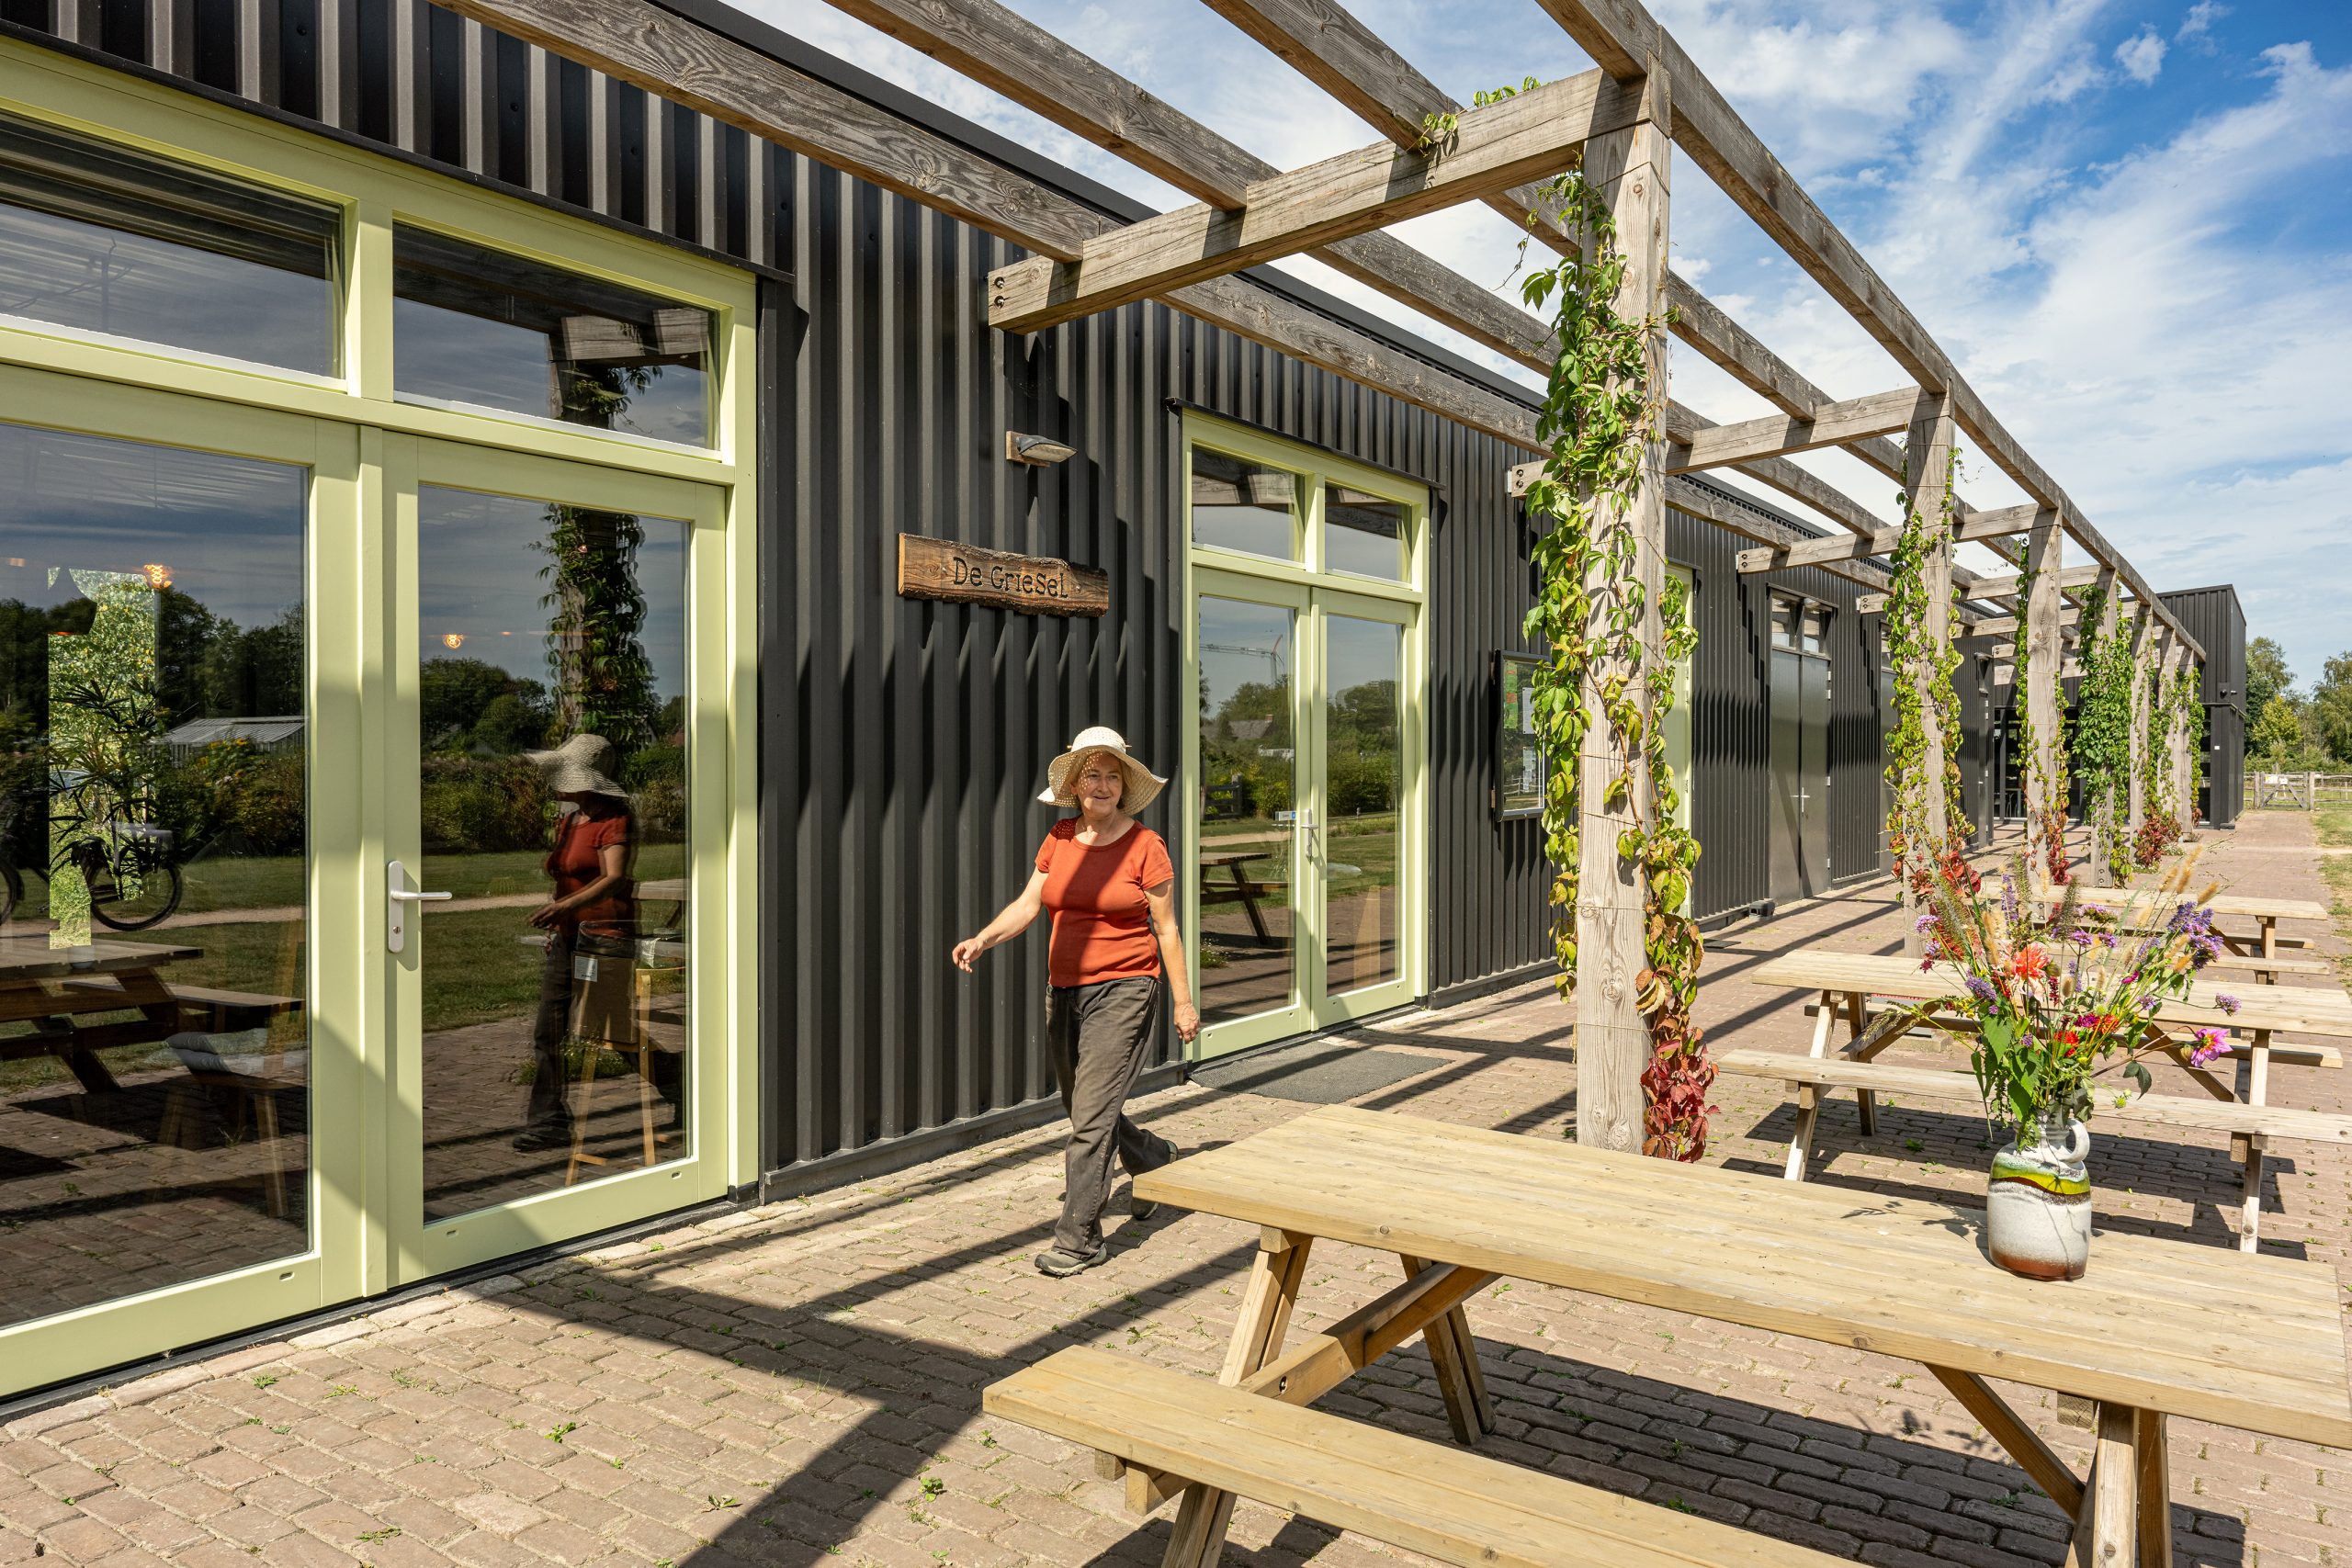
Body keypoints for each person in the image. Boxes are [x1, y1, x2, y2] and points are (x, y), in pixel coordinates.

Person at [953, 726, 1199, 1277]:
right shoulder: (1060, 838)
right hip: (1065, 991)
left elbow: (1167, 929)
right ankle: (1152, 1157)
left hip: (1127, 988)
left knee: (1089, 1117)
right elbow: (1028, 904)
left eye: (1113, 776)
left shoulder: (1145, 846)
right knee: (1083, 1104)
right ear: (1076, 785)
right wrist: (983, 938)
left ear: (1125, 786)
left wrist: (1183, 1003)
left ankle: (1079, 1239)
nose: (1103, 785)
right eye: (1093, 775)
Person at [514, 734, 637, 1153]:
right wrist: (560, 919)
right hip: (568, 938)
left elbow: (614, 878)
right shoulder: (570, 821)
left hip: (603, 938)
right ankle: (548, 1121)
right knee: (547, 1029)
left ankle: (679, 1084)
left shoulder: (613, 820)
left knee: (610, 1032)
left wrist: (565, 906)